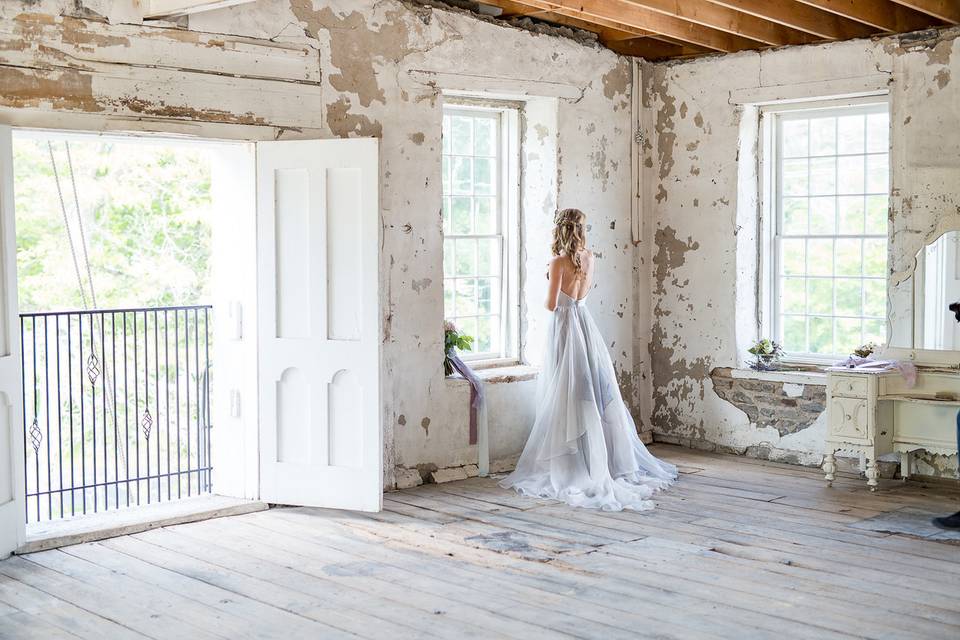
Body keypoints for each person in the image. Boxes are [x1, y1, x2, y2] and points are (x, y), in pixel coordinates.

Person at [500, 208, 677, 511]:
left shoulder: (557, 262)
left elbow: (551, 304)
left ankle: (576, 461)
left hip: (566, 327)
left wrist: (548, 277)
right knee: (590, 390)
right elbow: (583, 293)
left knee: (567, 391)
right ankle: (599, 457)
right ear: (581, 230)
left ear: (560, 229)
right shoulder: (590, 257)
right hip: (584, 321)